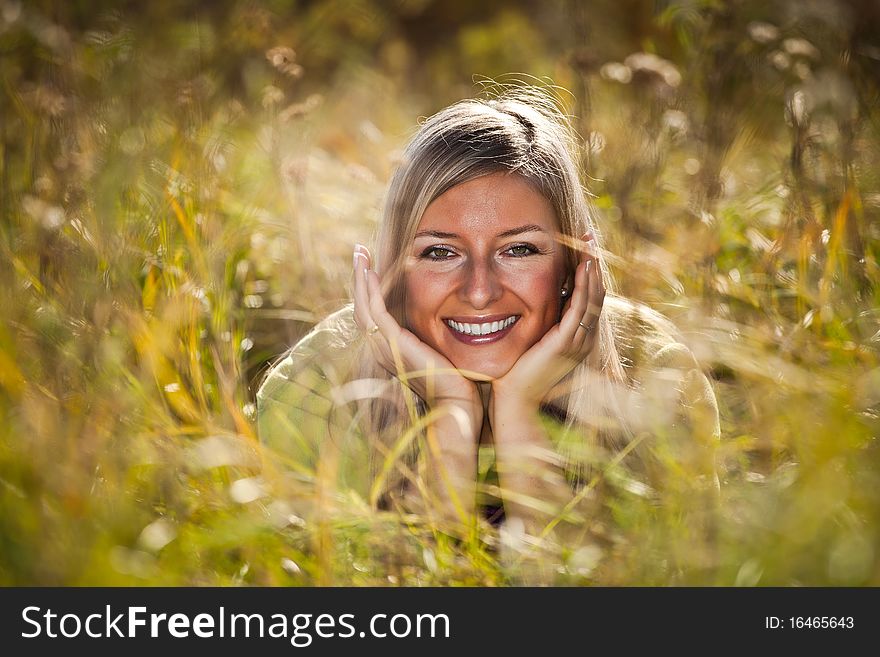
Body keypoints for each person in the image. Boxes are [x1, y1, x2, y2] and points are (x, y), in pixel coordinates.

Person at [256, 84, 719, 544]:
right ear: (395, 267)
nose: (479, 291)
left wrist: (519, 413)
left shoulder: (655, 375)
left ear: (572, 263)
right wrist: (451, 409)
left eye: (519, 249)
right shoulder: (315, 387)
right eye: (440, 252)